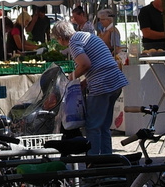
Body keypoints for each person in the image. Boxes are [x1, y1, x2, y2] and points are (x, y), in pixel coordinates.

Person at [52, 18, 130, 157]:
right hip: (115, 81)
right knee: (104, 127)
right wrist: (85, 81)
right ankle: (108, 161)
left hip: (102, 84)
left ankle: (93, 164)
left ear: (60, 37)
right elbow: (99, 62)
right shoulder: (86, 36)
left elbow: (85, 64)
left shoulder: (74, 43)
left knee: (93, 126)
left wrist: (70, 77)